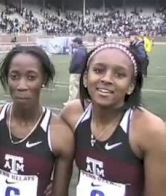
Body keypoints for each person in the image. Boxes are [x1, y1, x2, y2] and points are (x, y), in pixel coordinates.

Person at [60, 43, 166, 196]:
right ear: (84, 78)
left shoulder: (151, 130)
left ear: (131, 86)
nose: (107, 79)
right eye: (98, 70)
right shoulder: (72, 114)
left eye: (120, 74)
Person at [0, 46, 74, 196]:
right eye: (14, 76)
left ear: (43, 79)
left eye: (31, 77)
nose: (21, 86)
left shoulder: (59, 133)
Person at [64, 37, 87, 105]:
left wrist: (72, 69)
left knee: (73, 87)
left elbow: (77, 62)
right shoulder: (83, 50)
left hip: (76, 72)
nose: (72, 43)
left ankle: (71, 102)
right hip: (80, 71)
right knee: (78, 87)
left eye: (74, 42)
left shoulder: (79, 51)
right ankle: (77, 101)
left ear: (77, 42)